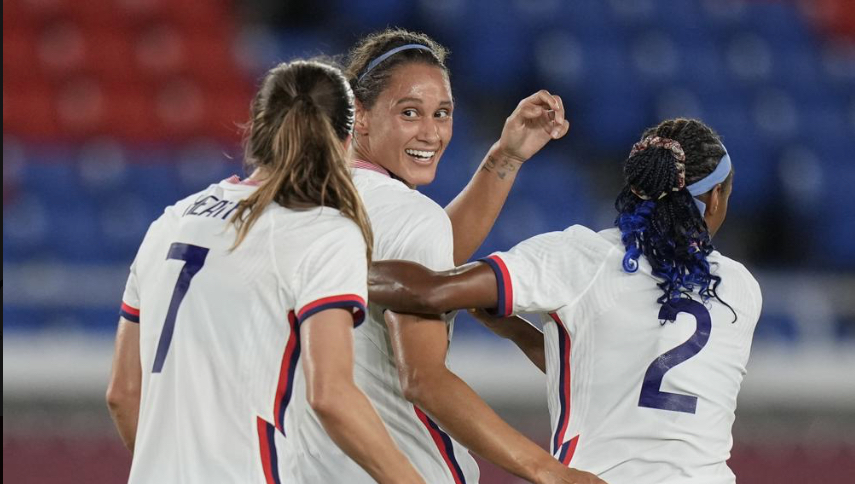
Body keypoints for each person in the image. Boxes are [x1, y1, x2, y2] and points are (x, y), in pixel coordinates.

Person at [284, 28, 602, 484]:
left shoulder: (298, 200)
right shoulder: (410, 217)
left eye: (443, 113)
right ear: (360, 114)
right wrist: (550, 472)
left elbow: (428, 252)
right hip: (406, 466)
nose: (431, 132)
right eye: (410, 112)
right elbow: (424, 380)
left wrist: (504, 158)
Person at [369, 118, 763, 484]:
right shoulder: (742, 290)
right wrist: (519, 335)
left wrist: (324, 267)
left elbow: (429, 291)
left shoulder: (584, 257)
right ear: (714, 199)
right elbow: (627, 376)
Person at [106, 59, 425, 484]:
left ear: (256, 131)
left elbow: (123, 394)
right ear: (347, 140)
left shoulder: (171, 221)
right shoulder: (323, 233)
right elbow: (331, 395)